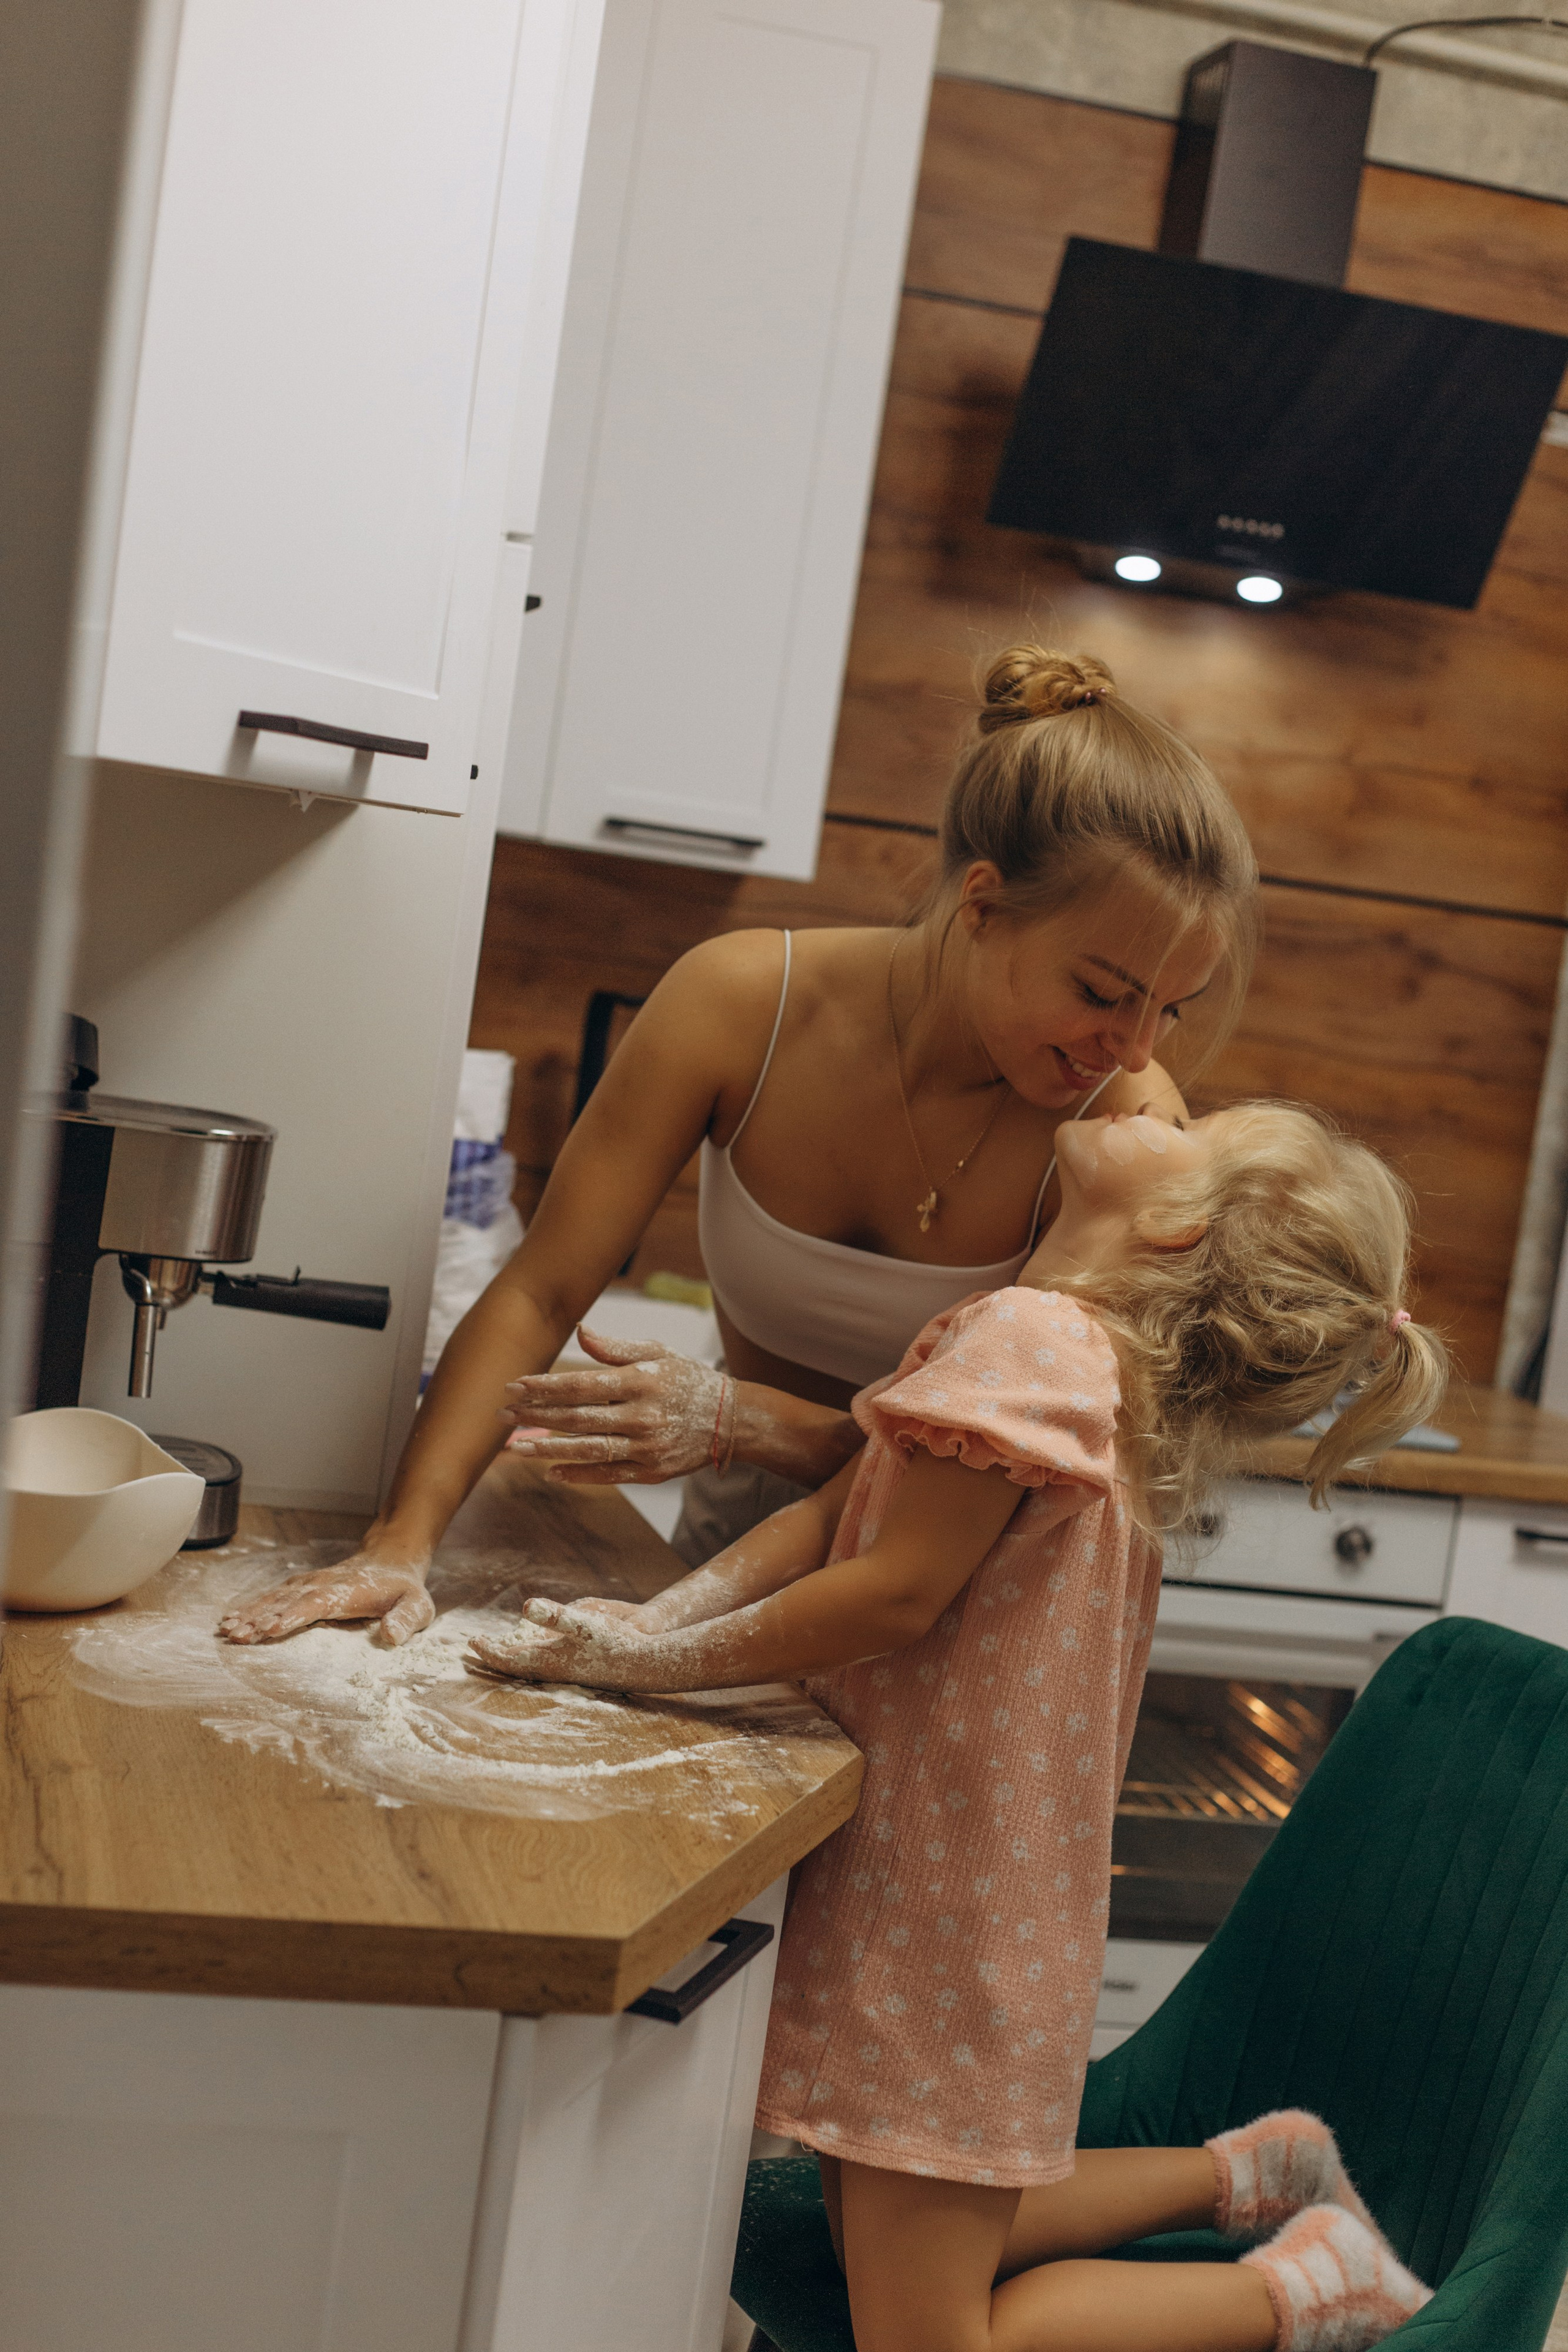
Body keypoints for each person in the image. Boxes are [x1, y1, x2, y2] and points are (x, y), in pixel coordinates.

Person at [464, 1096, 1448, 2352]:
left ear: (1174, 1222)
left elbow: (894, 1591)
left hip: (942, 1915)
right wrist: (653, 1629)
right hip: (970, 1891)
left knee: (924, 2334)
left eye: (1188, 1125)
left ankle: (1311, 2287)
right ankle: (1254, 2172)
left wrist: (655, 1667)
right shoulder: (1059, 1343)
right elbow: (836, 1516)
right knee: (896, 2211)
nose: (1149, 1094)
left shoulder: (1037, 1339)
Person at [219, 645, 1259, 1649]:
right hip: (738, 1538)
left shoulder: (1124, 1136)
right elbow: (543, 1290)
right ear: (983, 905)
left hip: (961, 1596)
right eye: (1103, 994)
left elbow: (998, 1469)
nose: (1135, 1048)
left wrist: (749, 1422)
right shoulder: (741, 1004)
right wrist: (401, 1545)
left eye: (1172, 1008)